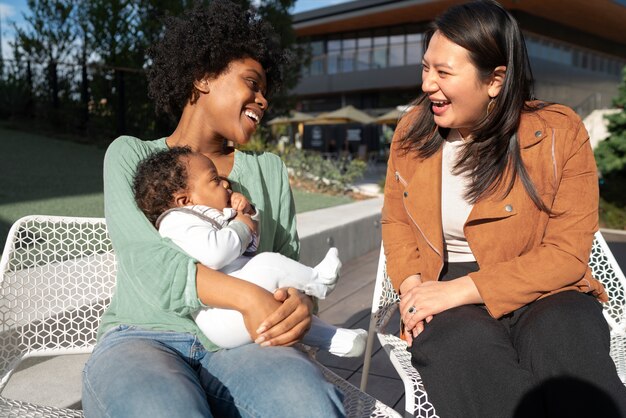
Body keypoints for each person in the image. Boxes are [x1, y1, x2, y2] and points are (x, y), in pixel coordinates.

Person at [81, 2, 345, 417]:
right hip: (144, 337)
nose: (262, 100)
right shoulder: (130, 156)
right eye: (252, 83)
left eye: (265, 92)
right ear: (203, 77)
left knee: (307, 402)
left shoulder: (269, 170)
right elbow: (150, 262)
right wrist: (249, 297)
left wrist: (299, 303)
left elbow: (286, 265)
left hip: (245, 342)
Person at [381, 1, 626, 417]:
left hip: (546, 285)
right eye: (426, 68)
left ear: (495, 80)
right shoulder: (411, 132)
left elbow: (567, 254)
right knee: (462, 355)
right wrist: (412, 290)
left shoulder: (559, 131)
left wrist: (455, 292)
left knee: (569, 348)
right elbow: (396, 220)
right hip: (445, 283)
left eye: (443, 73)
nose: (427, 85)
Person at [132, 146, 368, 356]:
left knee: (284, 309)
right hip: (222, 316)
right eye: (214, 180)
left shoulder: (202, 214)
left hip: (238, 305)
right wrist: (242, 225)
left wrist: (248, 213)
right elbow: (217, 254)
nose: (226, 184)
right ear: (184, 200)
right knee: (267, 263)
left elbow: (247, 247)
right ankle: (319, 281)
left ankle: (338, 341)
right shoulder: (175, 222)